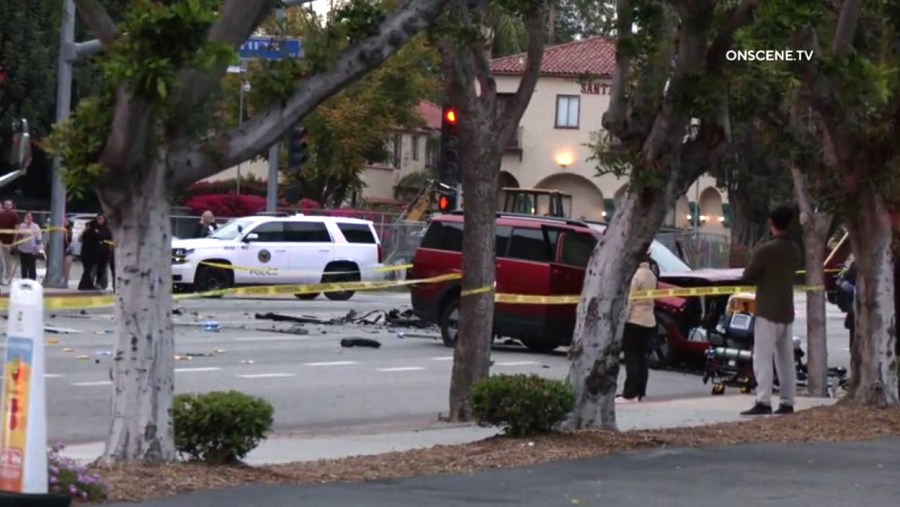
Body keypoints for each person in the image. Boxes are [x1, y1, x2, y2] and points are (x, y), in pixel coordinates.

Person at [740, 206, 802, 416]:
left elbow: (748, 274)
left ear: (771, 223)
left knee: (763, 358)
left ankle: (763, 399)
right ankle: (787, 401)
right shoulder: (793, 249)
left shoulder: (767, 249)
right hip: (786, 309)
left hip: (767, 309)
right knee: (786, 360)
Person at [617, 252, 658, 403]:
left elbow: (630, 301)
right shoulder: (652, 275)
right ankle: (641, 392)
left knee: (631, 357)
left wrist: (623, 321)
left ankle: (630, 393)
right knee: (641, 357)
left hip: (635, 319)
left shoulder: (636, 276)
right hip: (648, 320)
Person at [14, 212, 43, 280]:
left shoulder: (36, 226)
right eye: (27, 216)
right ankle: (24, 280)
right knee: (24, 267)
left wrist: (39, 248)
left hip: (32, 250)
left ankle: (32, 280)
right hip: (23, 249)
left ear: (32, 218)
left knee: (31, 267)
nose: (28, 218)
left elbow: (38, 238)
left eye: (29, 216)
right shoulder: (22, 226)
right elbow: (19, 236)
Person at [0, 200, 19, 283]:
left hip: (9, 242)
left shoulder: (14, 216)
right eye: (6, 204)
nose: (7, 206)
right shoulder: (0, 214)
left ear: (12, 206)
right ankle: (1, 277)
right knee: (1, 260)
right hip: (0, 241)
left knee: (9, 261)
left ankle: (8, 278)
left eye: (9, 205)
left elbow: (17, 229)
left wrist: (14, 242)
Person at [63, 218, 74, 284]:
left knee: (66, 268)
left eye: (66, 221)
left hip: (67, 252)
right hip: (60, 252)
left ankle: (65, 281)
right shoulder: (58, 229)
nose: (65, 222)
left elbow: (70, 240)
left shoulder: (69, 230)